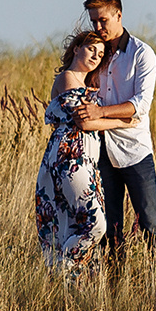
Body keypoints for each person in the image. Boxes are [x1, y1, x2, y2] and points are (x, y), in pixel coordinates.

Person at [71, 0, 156, 259]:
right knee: (109, 232)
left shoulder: (142, 54)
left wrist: (99, 113)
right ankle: (115, 294)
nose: (98, 27)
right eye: (94, 22)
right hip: (101, 154)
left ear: (118, 15)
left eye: (103, 20)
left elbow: (140, 106)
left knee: (151, 227)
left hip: (135, 153)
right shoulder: (96, 56)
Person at [33, 32, 123, 273]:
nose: (96, 56)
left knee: (74, 224)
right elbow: (84, 122)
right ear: (76, 49)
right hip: (69, 157)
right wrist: (124, 121)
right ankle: (61, 269)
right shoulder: (67, 78)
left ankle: (68, 287)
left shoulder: (87, 86)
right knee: (95, 225)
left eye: (101, 54)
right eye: (92, 49)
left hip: (86, 160)